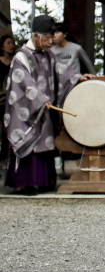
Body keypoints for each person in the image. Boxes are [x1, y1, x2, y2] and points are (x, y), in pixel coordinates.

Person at [4, 16, 93, 195]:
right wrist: (39, 99)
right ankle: (25, 183)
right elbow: (24, 83)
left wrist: (77, 77)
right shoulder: (22, 56)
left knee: (45, 144)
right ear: (36, 36)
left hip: (43, 107)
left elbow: (61, 69)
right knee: (28, 142)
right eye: (47, 38)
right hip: (26, 111)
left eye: (52, 38)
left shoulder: (49, 54)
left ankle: (44, 181)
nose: (50, 42)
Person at [0, 34, 16, 164]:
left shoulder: (15, 62)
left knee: (8, 129)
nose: (11, 46)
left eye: (12, 43)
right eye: (8, 43)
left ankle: (5, 157)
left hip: (10, 100)